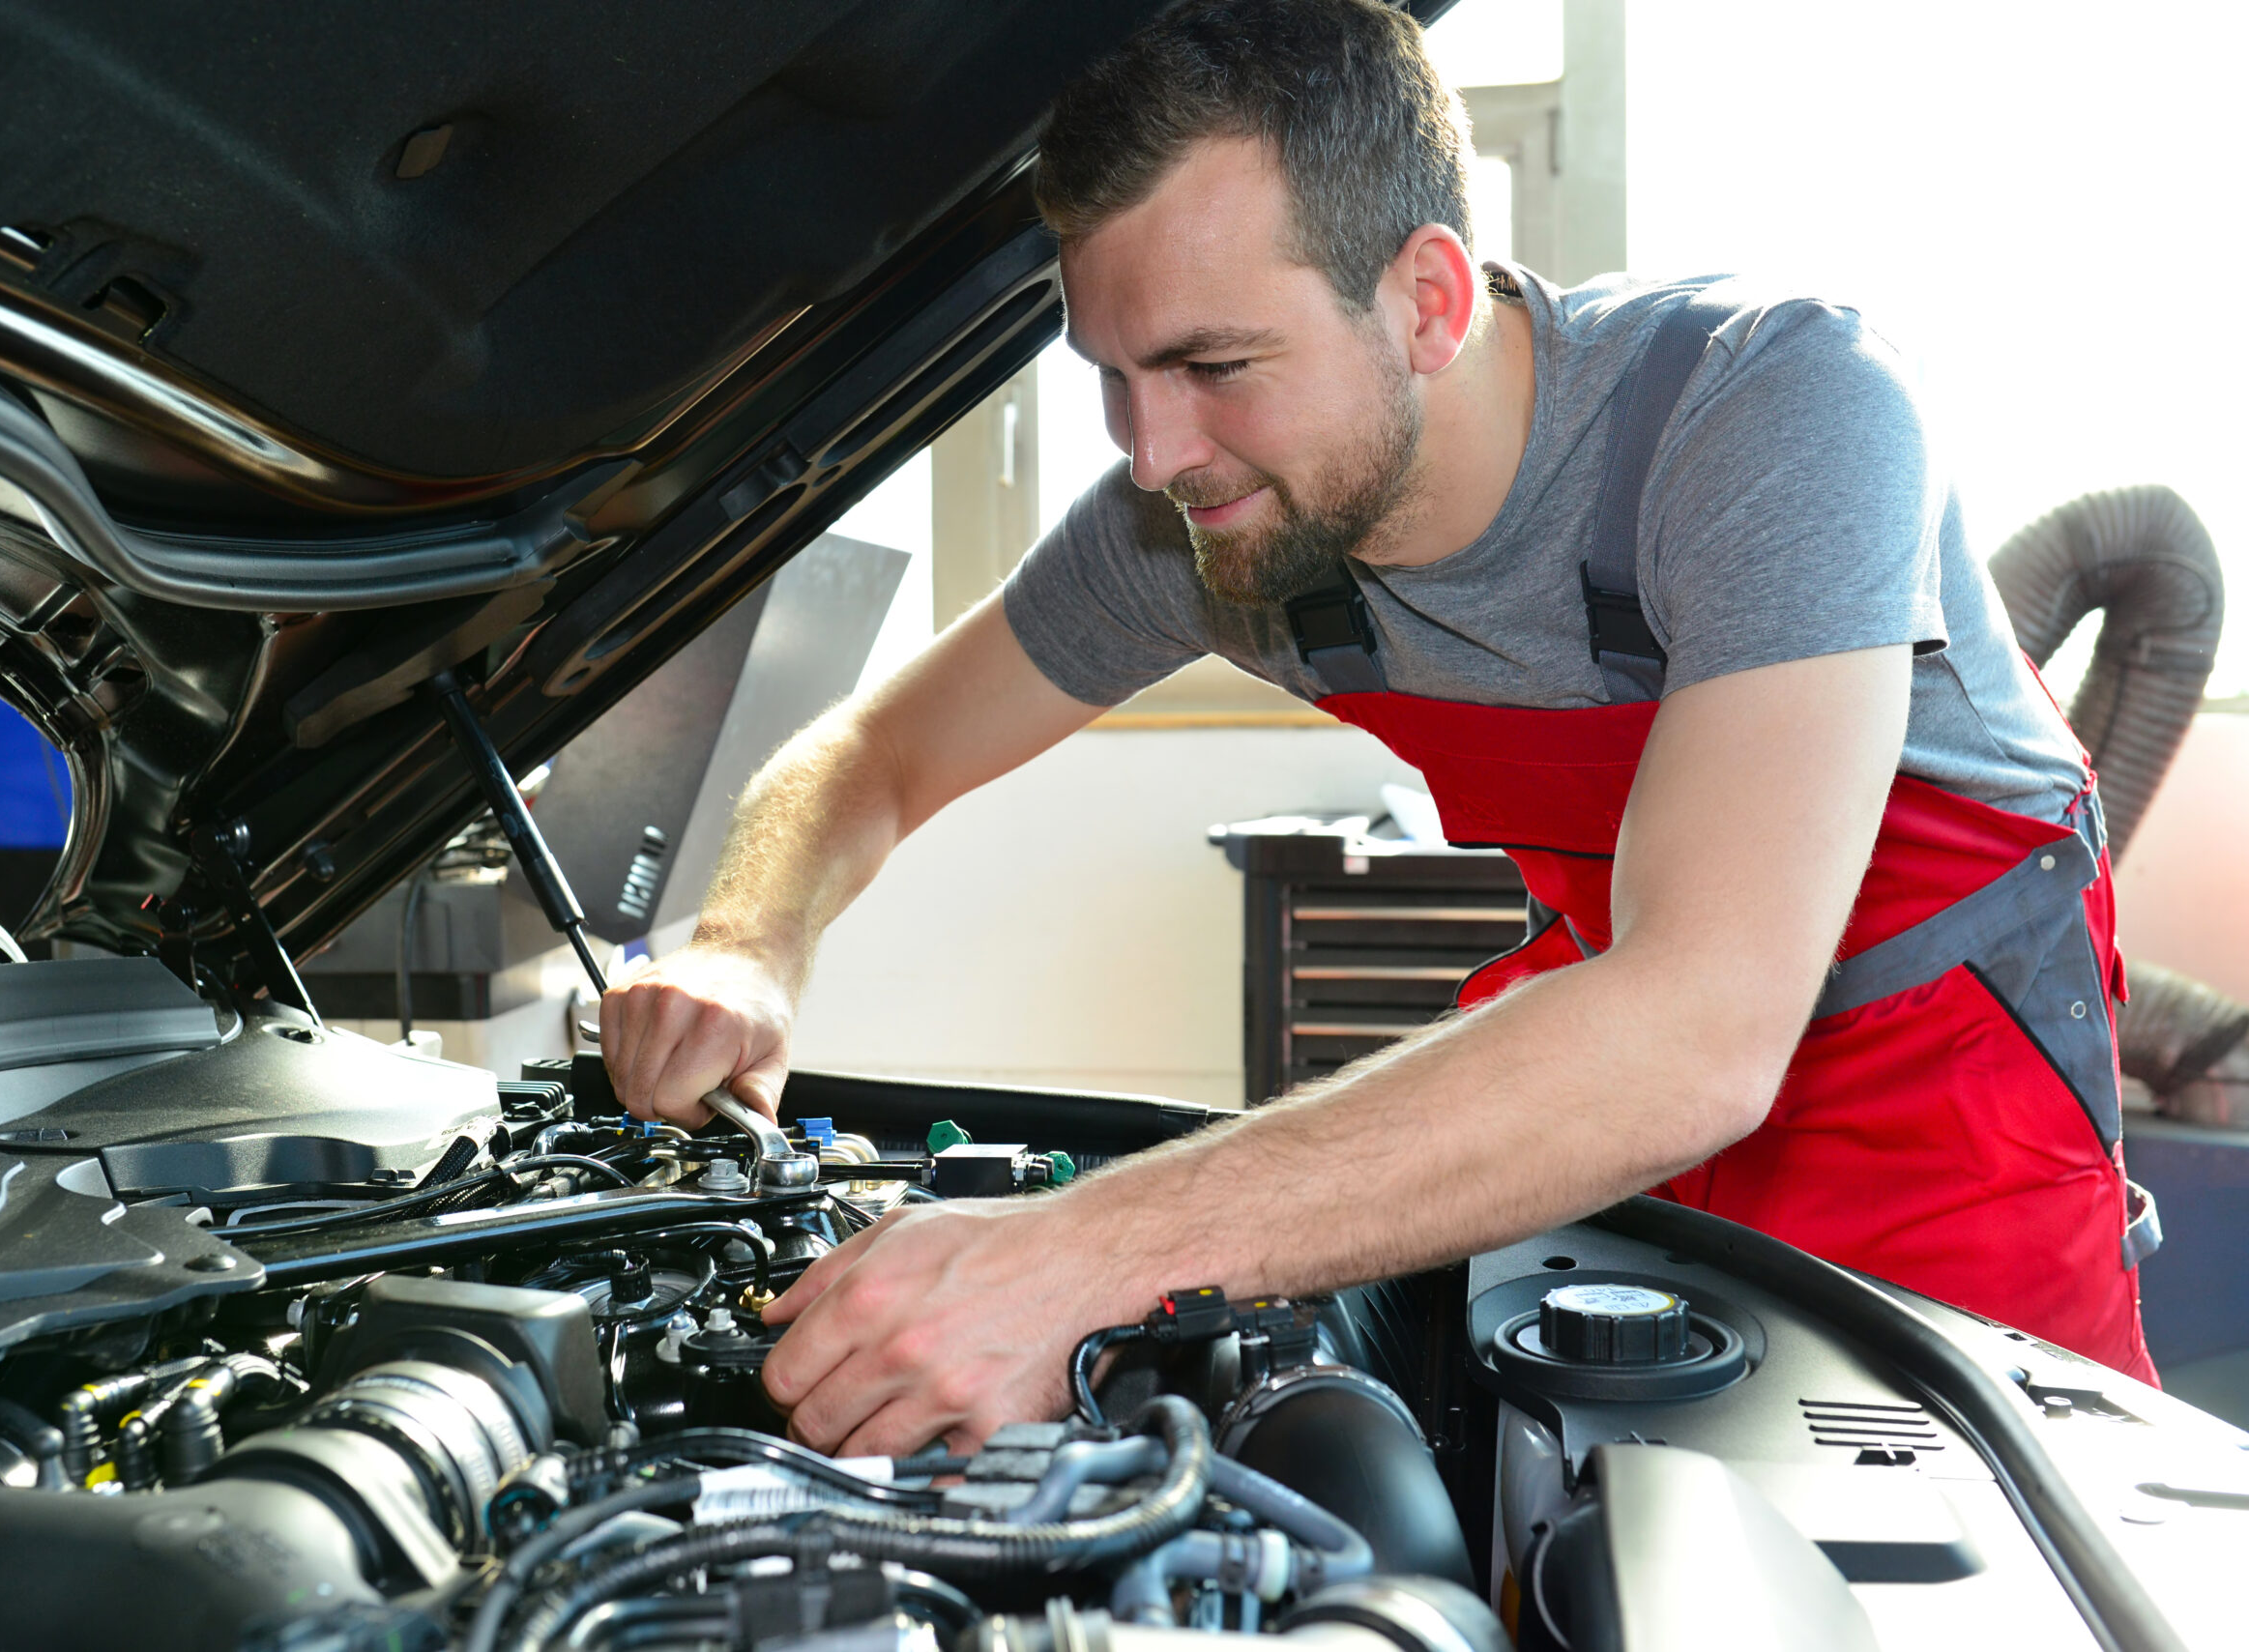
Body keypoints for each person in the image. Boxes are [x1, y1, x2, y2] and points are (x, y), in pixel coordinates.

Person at [598, 0, 2156, 1453]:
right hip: (1604, 1087)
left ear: (1427, 297)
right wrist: (746, 937)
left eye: (1214, 366)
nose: (1152, 455)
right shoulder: (1203, 520)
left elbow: (1700, 1022)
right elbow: (872, 753)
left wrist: (1074, 1255)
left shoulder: (1775, 408)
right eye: (1115, 378)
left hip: (1939, 1118)